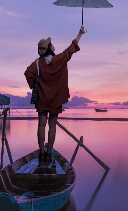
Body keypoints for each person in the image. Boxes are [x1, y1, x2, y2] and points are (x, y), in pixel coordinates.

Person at [24, 26, 86, 165]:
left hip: (42, 99)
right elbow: (71, 49)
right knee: (52, 126)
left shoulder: (37, 63)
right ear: (49, 49)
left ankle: (41, 154)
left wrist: (37, 85)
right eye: (50, 44)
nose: (52, 44)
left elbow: (27, 73)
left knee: (41, 125)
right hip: (55, 99)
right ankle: (48, 154)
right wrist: (80, 34)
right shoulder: (58, 59)